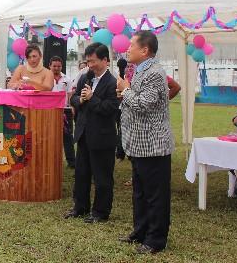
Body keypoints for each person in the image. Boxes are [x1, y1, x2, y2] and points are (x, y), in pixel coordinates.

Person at [117, 30, 174, 254]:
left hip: (154, 146)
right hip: (139, 145)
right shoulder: (139, 70)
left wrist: (126, 90)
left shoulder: (155, 73)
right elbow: (134, 102)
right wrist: (126, 93)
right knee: (140, 193)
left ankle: (155, 240)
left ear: (145, 50)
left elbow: (144, 104)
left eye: (131, 45)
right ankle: (140, 231)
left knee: (155, 196)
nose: (127, 49)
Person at [66, 43, 120, 224]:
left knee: (102, 176)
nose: (90, 65)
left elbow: (111, 108)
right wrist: (80, 100)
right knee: (81, 173)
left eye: (93, 61)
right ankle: (80, 207)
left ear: (105, 60)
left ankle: (100, 211)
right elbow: (73, 98)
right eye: (88, 61)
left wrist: (92, 98)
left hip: (102, 137)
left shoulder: (113, 83)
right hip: (84, 134)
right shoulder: (86, 77)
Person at [49, 56, 75, 169]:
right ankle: (51, 160)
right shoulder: (46, 78)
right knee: (50, 137)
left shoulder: (67, 79)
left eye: (58, 66)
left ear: (61, 66)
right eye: (54, 66)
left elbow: (70, 94)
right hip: (49, 110)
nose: (56, 68)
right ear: (50, 66)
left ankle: (72, 162)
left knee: (67, 137)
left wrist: (72, 106)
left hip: (65, 111)